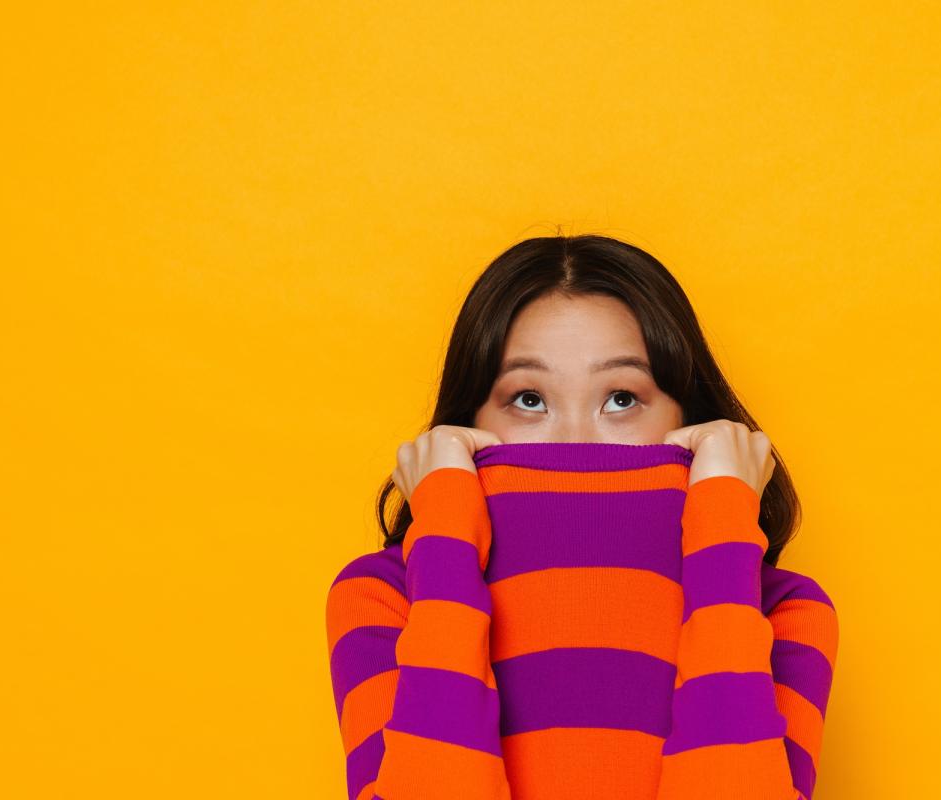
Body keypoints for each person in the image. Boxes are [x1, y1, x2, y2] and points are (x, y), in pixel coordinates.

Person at [325, 234, 839, 799]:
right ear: (465, 424)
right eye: (529, 400)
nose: (575, 443)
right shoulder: (382, 598)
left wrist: (723, 529)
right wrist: (444, 539)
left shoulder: (782, 611)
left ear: (690, 420)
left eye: (621, 399)